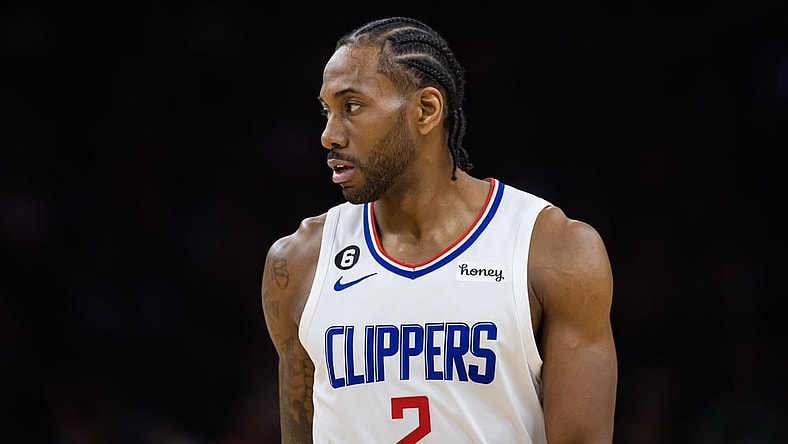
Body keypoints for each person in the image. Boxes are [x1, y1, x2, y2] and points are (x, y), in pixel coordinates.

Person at [261, 16, 617, 443]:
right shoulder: (299, 261)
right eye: (326, 111)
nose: (329, 135)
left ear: (426, 110)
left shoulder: (552, 250)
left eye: (351, 106)